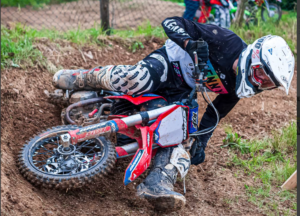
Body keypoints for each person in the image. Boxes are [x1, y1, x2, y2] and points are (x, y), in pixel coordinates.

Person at [52, 16, 295, 211]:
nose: (261, 81)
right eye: (262, 73)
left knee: (182, 138)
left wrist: (201, 142)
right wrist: (191, 44)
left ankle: (157, 183)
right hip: (168, 64)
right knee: (137, 78)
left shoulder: (238, 89)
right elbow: (171, 22)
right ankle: (81, 78)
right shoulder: (227, 41)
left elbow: (214, 113)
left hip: (182, 91)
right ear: (255, 56)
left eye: (268, 82)